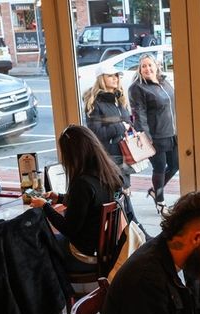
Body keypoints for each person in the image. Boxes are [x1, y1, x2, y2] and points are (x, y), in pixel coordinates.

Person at [29, 124, 123, 273]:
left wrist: (44, 206)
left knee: (36, 246)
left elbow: (69, 229)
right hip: (106, 249)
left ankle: (57, 293)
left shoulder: (82, 183)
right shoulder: (109, 173)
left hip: (84, 253)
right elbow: (93, 204)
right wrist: (60, 198)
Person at [83, 64, 143, 227]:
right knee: (119, 194)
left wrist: (131, 129)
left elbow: (128, 122)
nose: (116, 78)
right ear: (102, 79)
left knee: (124, 193)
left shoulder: (119, 99)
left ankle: (131, 229)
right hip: (109, 155)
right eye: (111, 76)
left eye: (117, 75)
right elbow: (96, 132)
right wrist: (120, 126)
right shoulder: (95, 102)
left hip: (124, 154)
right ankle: (132, 228)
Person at [129, 53, 177, 214]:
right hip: (156, 135)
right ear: (139, 69)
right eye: (144, 66)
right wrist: (146, 138)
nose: (147, 68)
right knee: (160, 168)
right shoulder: (137, 87)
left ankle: (155, 191)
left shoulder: (163, 81)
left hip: (172, 132)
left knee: (176, 164)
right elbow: (139, 115)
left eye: (150, 65)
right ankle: (160, 201)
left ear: (156, 66)